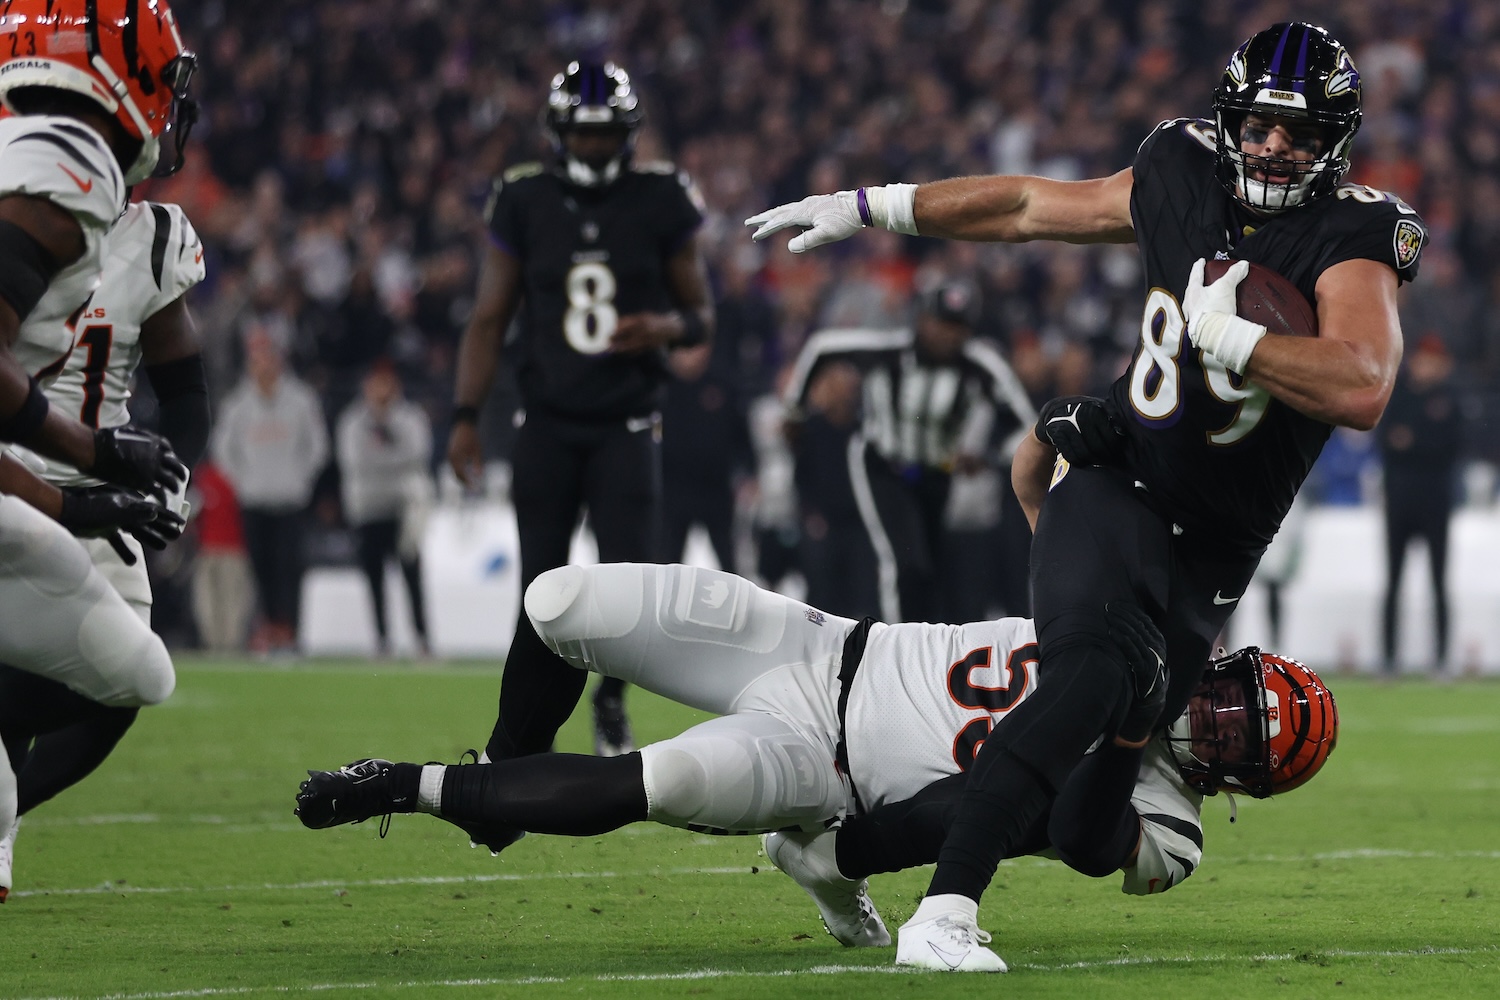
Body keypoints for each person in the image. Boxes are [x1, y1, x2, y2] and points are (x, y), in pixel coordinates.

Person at [746, 21, 1421, 969]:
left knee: (1081, 808)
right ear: (1230, 120)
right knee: (1092, 681)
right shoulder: (1180, 165)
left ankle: (833, 854)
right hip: (1118, 479)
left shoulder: (1355, 233)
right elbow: (1028, 205)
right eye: (1260, 126)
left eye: (1300, 133)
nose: (1275, 147)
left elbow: (1362, 384)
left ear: (1336, 143)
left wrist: (1238, 342)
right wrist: (874, 205)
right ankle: (943, 916)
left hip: (1214, 551)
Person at [294, 561, 1337, 959]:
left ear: (1239, 783)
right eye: (1228, 698)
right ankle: (498, 787)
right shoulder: (1146, 627)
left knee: (661, 779)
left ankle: (408, 786)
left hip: (822, 768)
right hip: (825, 642)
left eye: (1236, 738)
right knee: (558, 602)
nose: (1214, 721)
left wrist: (850, 848)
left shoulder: (1170, 831)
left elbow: (1044, 826)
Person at [445, 61, 713, 796]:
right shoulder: (524, 197)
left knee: (631, 588)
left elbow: (701, 318)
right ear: (559, 133)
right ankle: (522, 741)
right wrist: (465, 416)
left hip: (626, 420)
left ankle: (612, 701)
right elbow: (489, 317)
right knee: (539, 589)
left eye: (605, 133)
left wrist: (662, 326)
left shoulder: (662, 196)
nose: (594, 146)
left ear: (627, 133)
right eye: (583, 133)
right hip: (547, 422)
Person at [0, 0, 199, 900]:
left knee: (129, 675)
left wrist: (118, 483)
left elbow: (186, 386)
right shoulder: (63, 169)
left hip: (49, 478)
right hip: (47, 468)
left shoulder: (141, 226)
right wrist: (93, 456)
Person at [781, 278, 1034, 623]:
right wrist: (794, 410)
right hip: (884, 466)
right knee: (904, 560)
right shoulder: (889, 352)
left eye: (957, 326)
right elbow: (822, 347)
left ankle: (923, 640)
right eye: (941, 323)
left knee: (931, 568)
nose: (947, 335)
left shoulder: (980, 365)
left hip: (938, 474)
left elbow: (1028, 429)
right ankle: (896, 641)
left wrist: (988, 455)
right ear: (922, 319)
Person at [212, 330, 329, 655]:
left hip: (290, 500)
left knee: (290, 568)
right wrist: (243, 482)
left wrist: (300, 480)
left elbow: (317, 446)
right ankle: (268, 629)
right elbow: (224, 451)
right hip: (254, 499)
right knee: (261, 568)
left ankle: (290, 631)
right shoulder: (237, 404)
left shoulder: (301, 400)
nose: (263, 365)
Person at [335, 359, 432, 657]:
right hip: (368, 509)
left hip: (405, 508)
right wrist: (394, 458)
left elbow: (418, 454)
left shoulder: (410, 417)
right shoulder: (353, 421)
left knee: (412, 577)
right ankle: (381, 639)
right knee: (374, 578)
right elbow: (355, 461)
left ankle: (422, 638)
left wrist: (381, 457)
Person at [1378, 334, 1461, 675]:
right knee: (1393, 580)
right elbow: (1385, 439)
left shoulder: (1450, 399)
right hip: (1400, 500)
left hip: (1435, 502)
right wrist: (1420, 443)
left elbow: (1450, 447)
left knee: (1439, 581)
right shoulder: (1398, 395)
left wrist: (1412, 442)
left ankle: (1441, 658)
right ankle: (1388, 658)